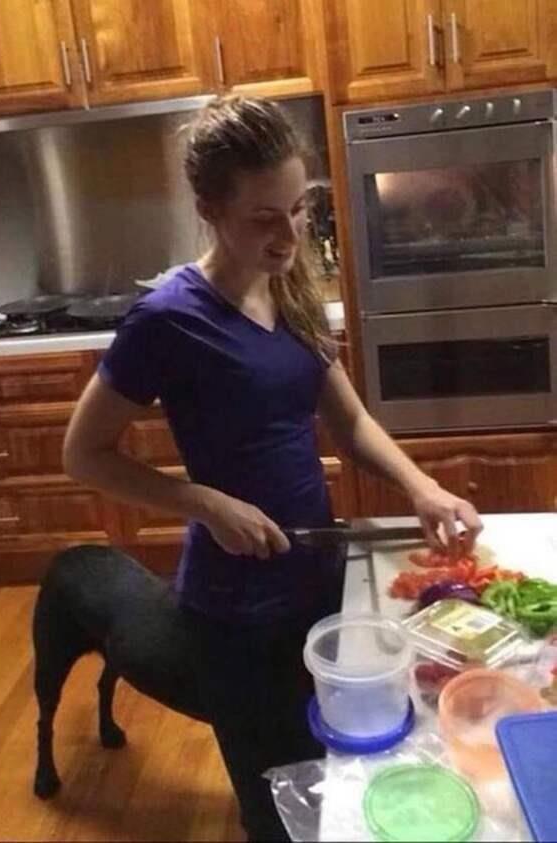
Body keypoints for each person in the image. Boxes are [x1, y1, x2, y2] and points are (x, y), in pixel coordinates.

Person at [62, 95, 483, 841]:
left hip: (319, 574)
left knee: (333, 773)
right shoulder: (167, 319)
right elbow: (83, 453)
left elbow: (350, 424)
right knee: (274, 801)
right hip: (236, 606)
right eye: (265, 218)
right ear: (209, 210)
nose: (289, 236)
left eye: (298, 209)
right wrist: (205, 502)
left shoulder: (289, 288)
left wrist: (423, 486)